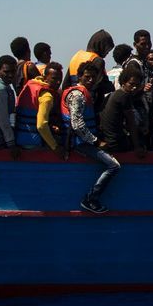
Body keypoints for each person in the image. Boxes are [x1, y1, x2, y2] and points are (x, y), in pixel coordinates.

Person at [60, 58, 121, 213]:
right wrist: (95, 141)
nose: (90, 80)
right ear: (79, 77)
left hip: (84, 139)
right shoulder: (78, 95)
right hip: (80, 142)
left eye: (93, 77)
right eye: (87, 77)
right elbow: (77, 124)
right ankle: (91, 198)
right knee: (114, 165)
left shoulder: (85, 93)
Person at [99, 64, 149, 156]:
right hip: (115, 143)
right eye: (131, 84)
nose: (134, 88)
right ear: (123, 82)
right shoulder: (124, 96)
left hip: (107, 139)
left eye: (137, 85)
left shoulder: (114, 94)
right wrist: (137, 147)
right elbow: (131, 124)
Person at [15, 61, 63, 150]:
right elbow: (41, 126)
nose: (58, 82)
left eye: (60, 79)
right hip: (33, 143)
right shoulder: (47, 97)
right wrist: (55, 147)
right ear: (45, 78)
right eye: (54, 78)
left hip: (18, 138)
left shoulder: (31, 84)